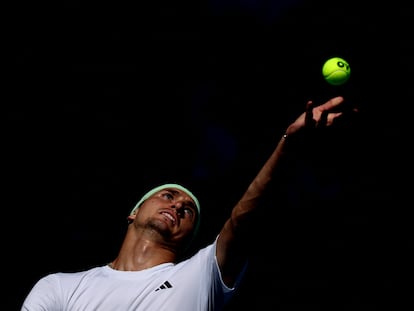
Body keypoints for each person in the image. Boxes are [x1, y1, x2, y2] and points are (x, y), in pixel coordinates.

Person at [21, 96, 358, 311]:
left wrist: (287, 145)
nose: (179, 205)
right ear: (134, 212)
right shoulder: (60, 287)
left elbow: (242, 220)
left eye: (189, 210)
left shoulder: (199, 274)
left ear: (190, 236)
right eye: (168, 195)